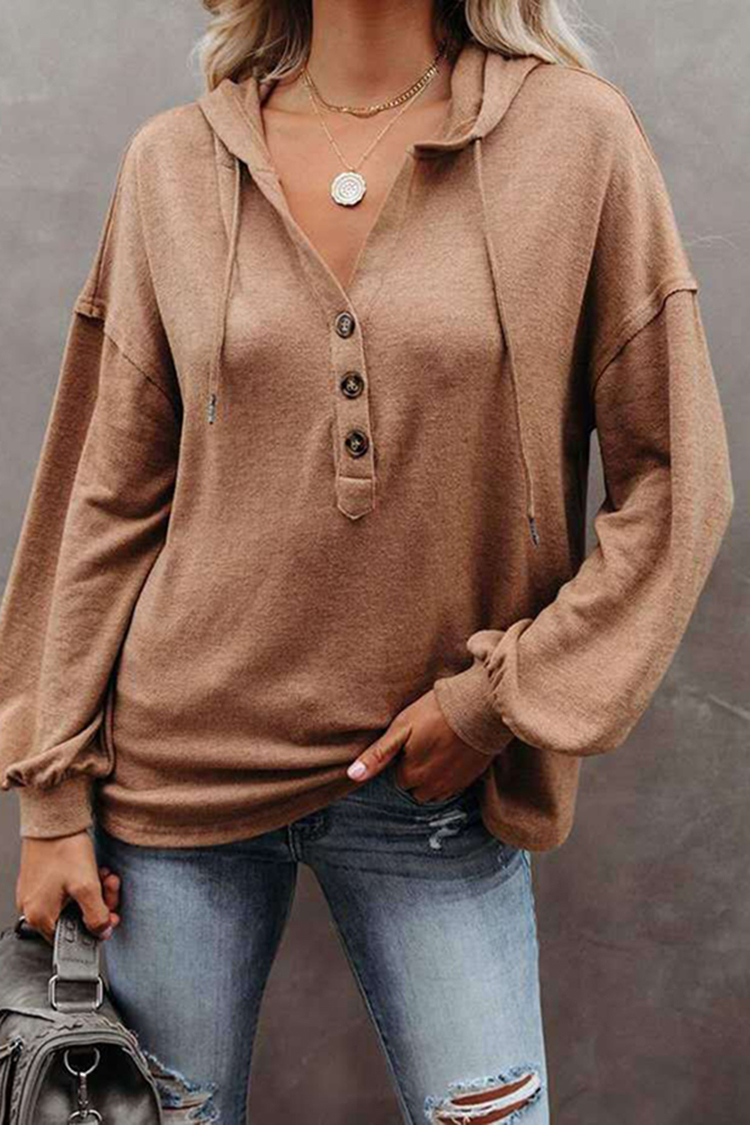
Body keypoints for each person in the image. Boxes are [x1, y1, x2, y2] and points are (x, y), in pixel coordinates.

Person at [0, 1, 734, 1122]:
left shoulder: (575, 141)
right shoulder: (173, 165)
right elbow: (99, 505)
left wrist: (499, 700)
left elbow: (680, 480)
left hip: (433, 786)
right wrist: (51, 800)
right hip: (175, 787)